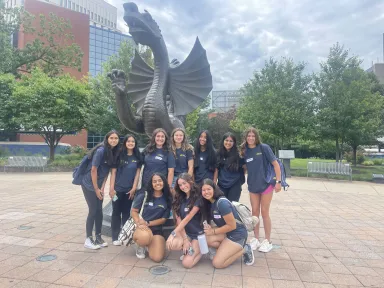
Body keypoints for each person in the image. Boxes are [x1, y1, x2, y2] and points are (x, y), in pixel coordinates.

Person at [240, 127, 281, 253]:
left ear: (256, 137)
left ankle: (267, 240)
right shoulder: (244, 151)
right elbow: (245, 167)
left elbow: (275, 164)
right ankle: (256, 239)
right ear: (246, 137)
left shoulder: (264, 148)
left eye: (253, 136)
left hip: (266, 184)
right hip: (253, 186)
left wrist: (278, 182)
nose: (251, 138)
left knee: (264, 212)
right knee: (254, 213)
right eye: (248, 136)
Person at [200, 179, 254, 268]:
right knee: (205, 239)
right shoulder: (210, 203)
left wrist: (213, 231)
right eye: (203, 190)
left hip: (237, 235)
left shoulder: (222, 203)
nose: (206, 192)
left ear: (214, 189)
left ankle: (245, 249)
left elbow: (232, 226)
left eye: (209, 189)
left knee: (217, 263)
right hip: (227, 234)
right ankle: (226, 250)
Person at [81, 130, 120, 250]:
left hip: (98, 185)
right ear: (107, 139)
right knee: (93, 210)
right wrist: (96, 189)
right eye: (111, 138)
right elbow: (94, 169)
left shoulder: (112, 152)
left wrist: (102, 187)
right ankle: (88, 239)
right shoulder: (101, 151)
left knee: (99, 211)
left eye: (116, 138)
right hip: (89, 184)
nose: (114, 140)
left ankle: (98, 237)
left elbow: (106, 172)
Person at [109, 134, 142, 246]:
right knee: (116, 212)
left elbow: (137, 174)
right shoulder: (119, 155)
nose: (131, 143)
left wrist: (134, 188)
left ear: (135, 144)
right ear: (125, 143)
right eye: (128, 141)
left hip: (129, 191)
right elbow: (113, 172)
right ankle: (115, 236)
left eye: (133, 141)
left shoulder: (137, 157)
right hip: (117, 190)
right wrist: (111, 188)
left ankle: (124, 236)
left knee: (127, 213)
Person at [131, 173, 172, 262]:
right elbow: (134, 211)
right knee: (144, 237)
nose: (157, 183)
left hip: (156, 230)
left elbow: (163, 219)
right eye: (154, 181)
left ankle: (149, 244)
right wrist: (139, 223)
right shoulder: (144, 195)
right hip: (142, 228)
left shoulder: (167, 198)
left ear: (164, 182)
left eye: (160, 181)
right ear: (151, 183)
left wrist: (148, 223)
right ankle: (140, 245)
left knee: (157, 258)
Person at [166, 173, 203, 268]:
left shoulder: (198, 197)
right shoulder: (179, 198)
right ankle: (189, 249)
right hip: (186, 232)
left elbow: (187, 219)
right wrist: (185, 239)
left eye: (184, 183)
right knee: (173, 244)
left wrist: (172, 234)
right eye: (180, 185)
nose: (183, 186)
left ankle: (201, 250)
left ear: (190, 181)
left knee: (187, 264)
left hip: (197, 234)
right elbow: (179, 220)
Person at [214, 132, 245, 202]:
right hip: (221, 185)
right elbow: (216, 170)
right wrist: (214, 184)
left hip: (235, 185)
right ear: (223, 141)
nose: (228, 143)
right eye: (226, 140)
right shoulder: (218, 154)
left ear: (234, 143)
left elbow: (244, 168)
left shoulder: (238, 155)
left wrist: (240, 181)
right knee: (222, 206)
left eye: (231, 141)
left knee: (233, 207)